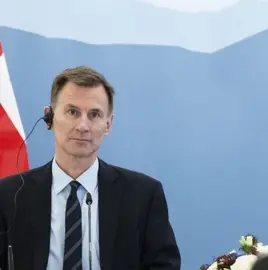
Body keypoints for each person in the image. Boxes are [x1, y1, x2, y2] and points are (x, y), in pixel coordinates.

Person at [0, 66, 181, 270]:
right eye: (72, 112)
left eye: (94, 114)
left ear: (108, 124)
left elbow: (164, 266)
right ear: (49, 117)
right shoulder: (8, 195)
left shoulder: (144, 195)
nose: (83, 126)